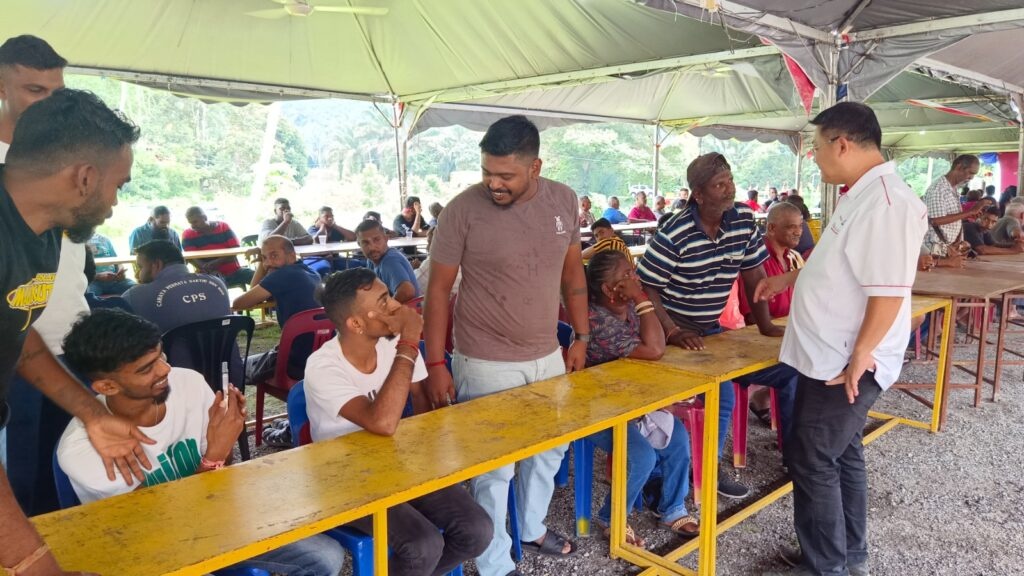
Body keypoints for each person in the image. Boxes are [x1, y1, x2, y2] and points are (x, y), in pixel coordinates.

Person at [757, 102, 928, 576]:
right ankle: (847, 555)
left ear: (843, 144)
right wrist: (789, 280)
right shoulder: (860, 195)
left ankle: (825, 566)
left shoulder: (887, 204)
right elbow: (838, 265)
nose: (813, 157)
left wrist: (861, 356)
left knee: (812, 457)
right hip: (829, 356)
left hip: (844, 361)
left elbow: (888, 292)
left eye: (816, 148)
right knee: (841, 452)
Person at [56, 309, 345, 576]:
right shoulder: (83, 447)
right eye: (146, 369)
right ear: (107, 386)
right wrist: (215, 454)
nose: (164, 370)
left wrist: (224, 440)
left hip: (214, 518)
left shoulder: (187, 383)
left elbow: (221, 476)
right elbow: (158, 522)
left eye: (161, 355)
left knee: (325, 557)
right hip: (147, 547)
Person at [422, 115, 587, 576]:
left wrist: (581, 335)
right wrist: (436, 363)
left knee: (549, 450)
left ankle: (531, 527)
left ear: (535, 167)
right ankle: (495, 563)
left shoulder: (563, 200)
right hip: (485, 360)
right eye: (487, 172)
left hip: (547, 355)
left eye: (505, 175)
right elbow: (438, 291)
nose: (493, 184)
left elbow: (573, 272)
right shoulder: (461, 211)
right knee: (493, 468)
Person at [0, 87, 151, 575]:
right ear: (85, 178)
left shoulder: (42, 233)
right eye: (119, 185)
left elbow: (18, 329)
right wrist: (38, 565)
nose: (115, 202)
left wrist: (92, 413)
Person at [304, 269, 492, 575]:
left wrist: (428, 462)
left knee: (477, 530)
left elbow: (421, 400)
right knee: (423, 546)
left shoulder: (390, 344)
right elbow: (382, 423)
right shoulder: (322, 367)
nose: (395, 305)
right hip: (344, 480)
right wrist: (409, 341)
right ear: (355, 324)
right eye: (383, 301)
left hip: (397, 463)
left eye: (389, 295)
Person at [635, 151, 792, 500]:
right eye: (719, 185)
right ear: (698, 194)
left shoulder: (743, 221)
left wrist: (765, 326)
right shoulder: (675, 231)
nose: (729, 189)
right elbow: (646, 286)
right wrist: (672, 331)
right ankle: (680, 474)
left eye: (730, 180)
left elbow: (753, 274)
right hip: (667, 332)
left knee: (784, 372)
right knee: (706, 395)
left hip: (708, 329)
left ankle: (783, 460)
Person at [0, 36, 93, 516]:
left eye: (56, 92)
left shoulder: (72, 156)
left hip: (73, 336)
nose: (48, 103)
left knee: (70, 469)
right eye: (34, 90)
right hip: (15, 344)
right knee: (23, 482)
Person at [583, 251, 697, 541]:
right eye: (627, 275)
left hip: (633, 400)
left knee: (679, 441)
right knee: (642, 457)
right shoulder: (597, 321)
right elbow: (655, 350)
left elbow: (656, 344)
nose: (635, 278)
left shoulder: (631, 309)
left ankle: (672, 507)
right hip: (598, 408)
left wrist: (639, 300)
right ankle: (612, 517)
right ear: (609, 289)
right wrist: (641, 297)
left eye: (633, 271)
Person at [232, 235, 321, 383]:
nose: (268, 263)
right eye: (264, 258)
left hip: (292, 364)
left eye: (274, 256)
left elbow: (239, 303)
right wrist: (264, 264)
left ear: (291, 256)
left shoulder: (282, 275)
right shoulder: (312, 273)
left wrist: (262, 266)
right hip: (319, 358)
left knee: (233, 367)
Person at [122, 240, 231, 334]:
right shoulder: (217, 283)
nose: (137, 275)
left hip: (170, 353)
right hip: (225, 353)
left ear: (157, 265)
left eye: (140, 267)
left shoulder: (135, 295)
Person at [921, 155, 981, 257]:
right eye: (970, 173)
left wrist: (967, 215)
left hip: (948, 249)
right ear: (959, 167)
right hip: (935, 250)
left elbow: (949, 219)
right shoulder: (938, 189)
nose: (971, 178)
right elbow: (936, 220)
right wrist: (970, 212)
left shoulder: (953, 189)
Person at [181, 206, 255, 287]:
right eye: (190, 223)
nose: (193, 226)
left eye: (195, 222)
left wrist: (216, 262)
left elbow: (235, 249)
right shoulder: (188, 234)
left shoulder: (223, 227)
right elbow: (191, 258)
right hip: (208, 275)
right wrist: (206, 267)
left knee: (258, 277)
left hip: (234, 271)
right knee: (215, 284)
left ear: (205, 218)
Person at [355, 219, 420, 304]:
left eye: (376, 240)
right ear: (359, 244)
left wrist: (385, 308)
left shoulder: (389, 261)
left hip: (408, 311)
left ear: (386, 239)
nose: (372, 247)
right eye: (365, 243)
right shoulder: (371, 260)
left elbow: (407, 292)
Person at [305, 205, 360, 275]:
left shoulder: (335, 229)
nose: (330, 218)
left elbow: (353, 237)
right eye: (326, 216)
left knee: (358, 264)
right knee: (325, 268)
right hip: (317, 259)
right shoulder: (313, 229)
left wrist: (335, 226)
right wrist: (322, 225)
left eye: (332, 216)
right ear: (319, 218)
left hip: (335, 258)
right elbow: (318, 240)